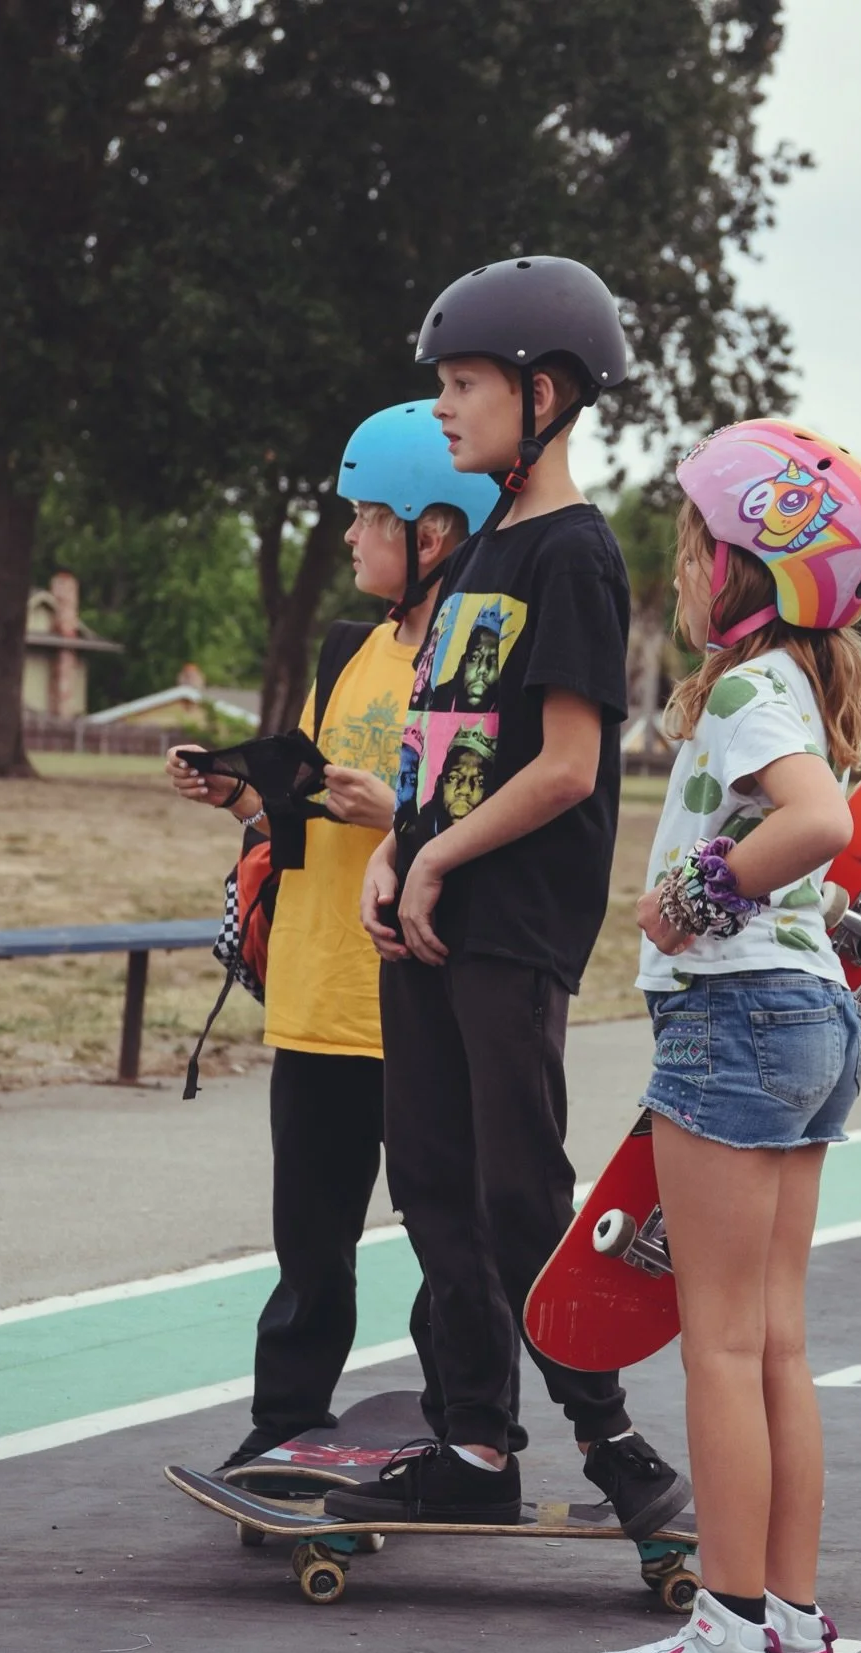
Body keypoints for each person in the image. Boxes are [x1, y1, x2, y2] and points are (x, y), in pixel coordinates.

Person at [335, 256, 689, 1538]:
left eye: (466, 383)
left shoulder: (576, 558)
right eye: (443, 384)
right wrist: (393, 852)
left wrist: (432, 857)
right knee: (428, 1172)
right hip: (429, 906)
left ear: (544, 393)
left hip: (511, 920)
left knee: (518, 1186)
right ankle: (476, 1438)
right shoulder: (483, 541)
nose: (445, 407)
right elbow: (442, 733)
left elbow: (570, 767)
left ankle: (615, 1441)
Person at [583, 418, 861, 1653]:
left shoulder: (742, 688)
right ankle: (791, 1632)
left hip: (735, 1021)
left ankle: (720, 1639)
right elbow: (826, 844)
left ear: (750, 569)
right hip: (813, 1023)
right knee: (771, 1343)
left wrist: (692, 895)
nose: (681, 565)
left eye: (697, 543)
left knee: (715, 1344)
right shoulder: (796, 692)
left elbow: (822, 823)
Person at [165, 399, 502, 1473]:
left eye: (367, 515)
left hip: (411, 995)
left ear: (433, 533)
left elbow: (489, 815)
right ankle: (286, 1419)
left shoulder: (476, 655)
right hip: (316, 991)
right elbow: (309, 801)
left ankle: (466, 1427)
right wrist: (242, 794)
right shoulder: (351, 647)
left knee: (450, 1240)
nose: (350, 535)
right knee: (308, 1243)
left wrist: (394, 819)